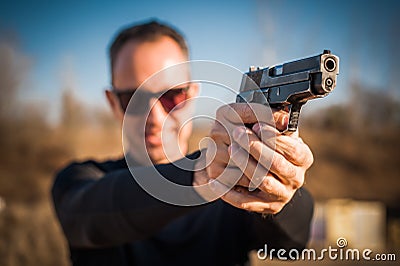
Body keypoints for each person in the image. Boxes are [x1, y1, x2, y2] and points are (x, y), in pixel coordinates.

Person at [52, 20, 314, 266]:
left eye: (171, 96)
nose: (154, 118)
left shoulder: (235, 179)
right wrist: (203, 173)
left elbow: (291, 243)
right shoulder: (80, 182)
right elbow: (87, 215)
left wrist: (280, 187)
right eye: (134, 99)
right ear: (112, 103)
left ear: (192, 94)